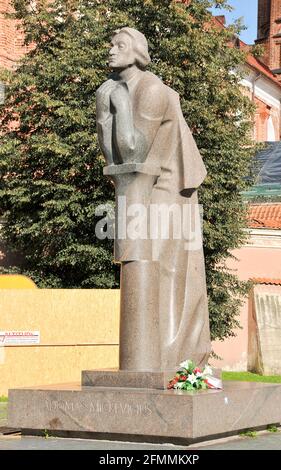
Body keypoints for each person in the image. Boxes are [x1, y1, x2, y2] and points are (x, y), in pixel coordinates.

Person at [97, 27, 211, 370]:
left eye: (120, 45)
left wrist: (117, 104)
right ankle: (147, 359)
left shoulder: (152, 90)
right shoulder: (114, 89)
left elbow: (134, 148)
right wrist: (105, 112)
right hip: (137, 185)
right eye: (111, 44)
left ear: (137, 53)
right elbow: (114, 158)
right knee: (141, 260)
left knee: (160, 264)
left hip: (168, 187)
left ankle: (167, 356)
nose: (111, 50)